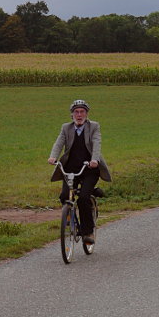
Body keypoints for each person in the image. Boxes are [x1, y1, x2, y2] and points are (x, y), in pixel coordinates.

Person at [48, 99, 112, 245]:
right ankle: (69, 214)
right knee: (65, 195)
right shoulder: (66, 128)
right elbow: (59, 143)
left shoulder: (94, 126)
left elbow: (97, 143)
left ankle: (87, 232)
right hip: (71, 169)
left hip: (89, 169)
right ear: (72, 115)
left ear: (86, 114)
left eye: (82, 111)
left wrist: (94, 160)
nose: (79, 114)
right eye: (76, 112)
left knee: (83, 198)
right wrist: (53, 156)